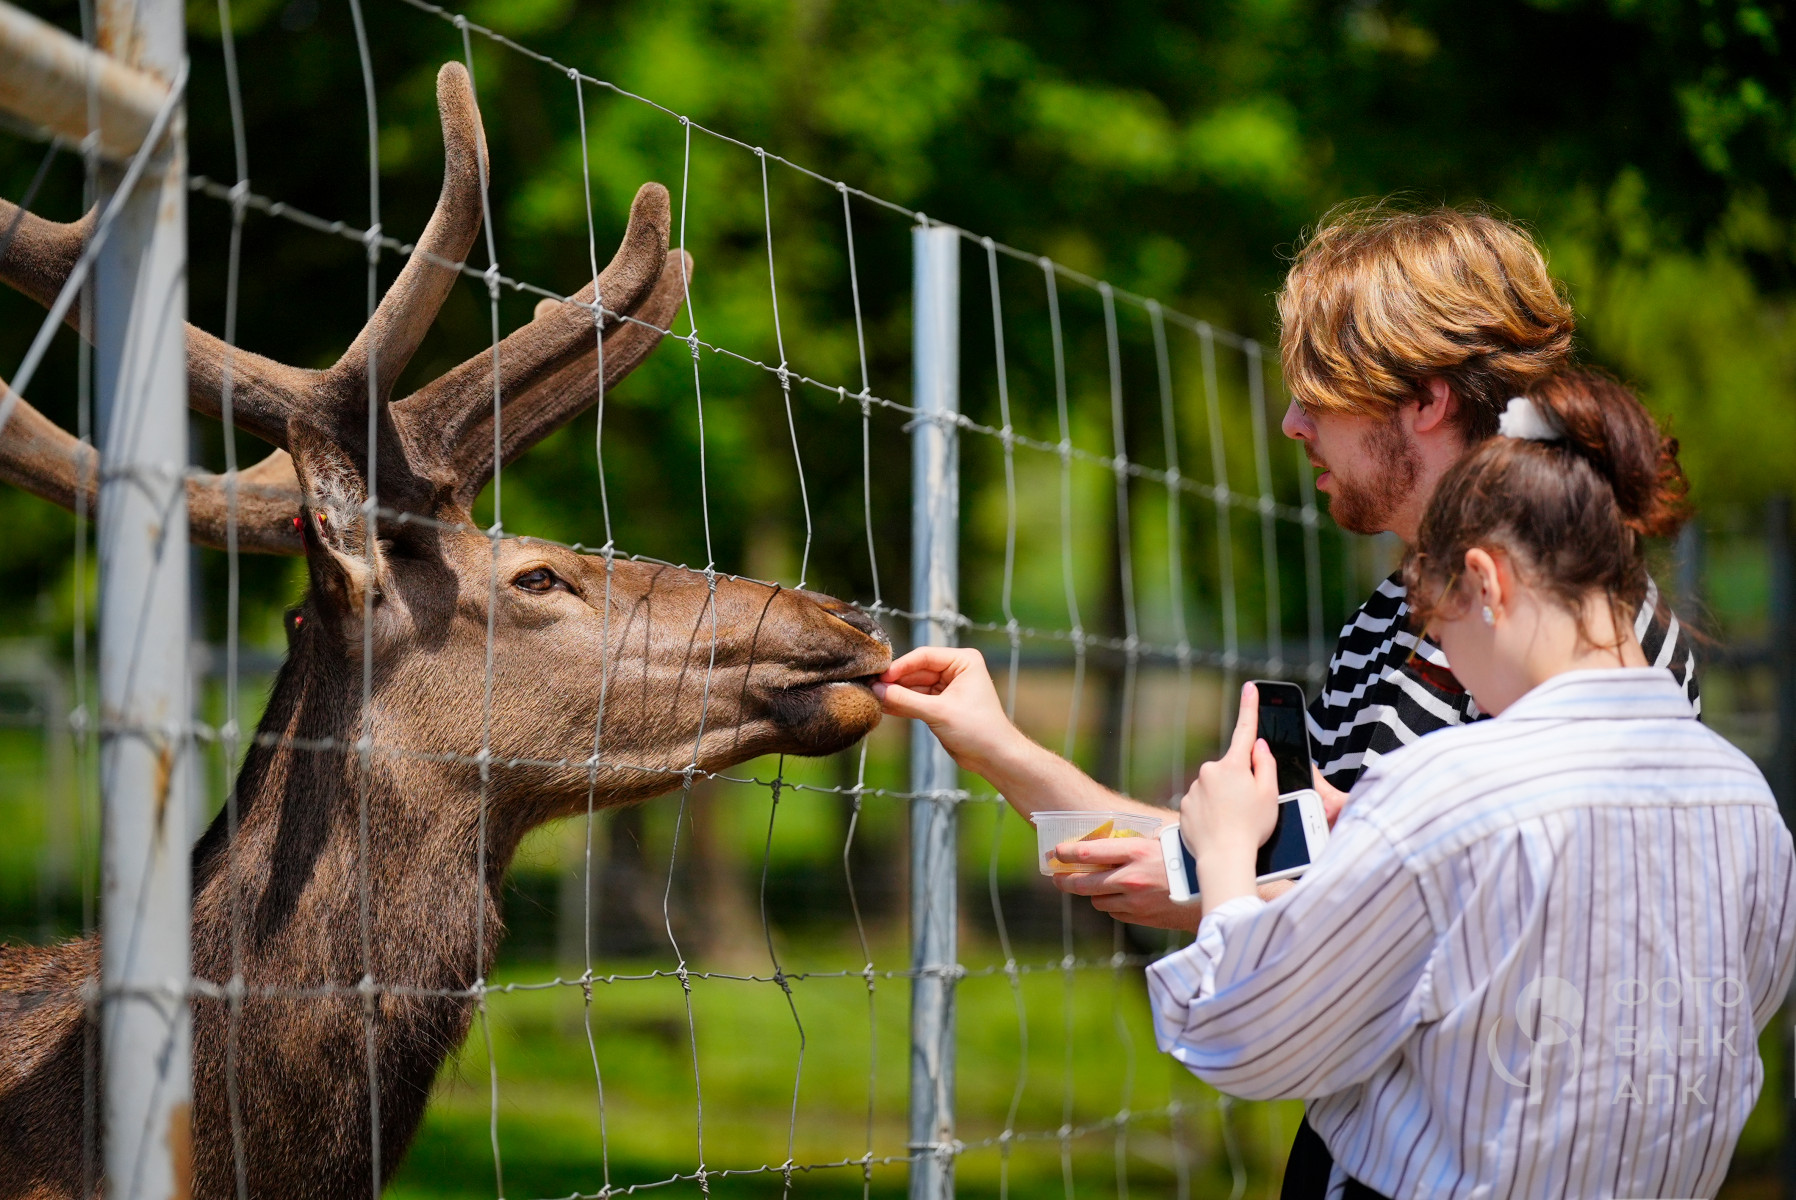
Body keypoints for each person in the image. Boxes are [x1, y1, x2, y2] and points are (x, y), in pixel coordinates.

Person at [873, 203, 1702, 1194]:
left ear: (1424, 400)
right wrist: (998, 746)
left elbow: (1368, 927)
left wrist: (1224, 877)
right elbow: (1303, 876)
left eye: (1319, 393)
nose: (1292, 423)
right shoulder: (1390, 621)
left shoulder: (1581, 637)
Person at [1147, 371, 1796, 1199]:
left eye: (1437, 626)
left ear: (1486, 583)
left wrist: (1226, 854)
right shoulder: (1746, 803)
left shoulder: (1448, 791)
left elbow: (1249, 1033)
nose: (1446, 658)